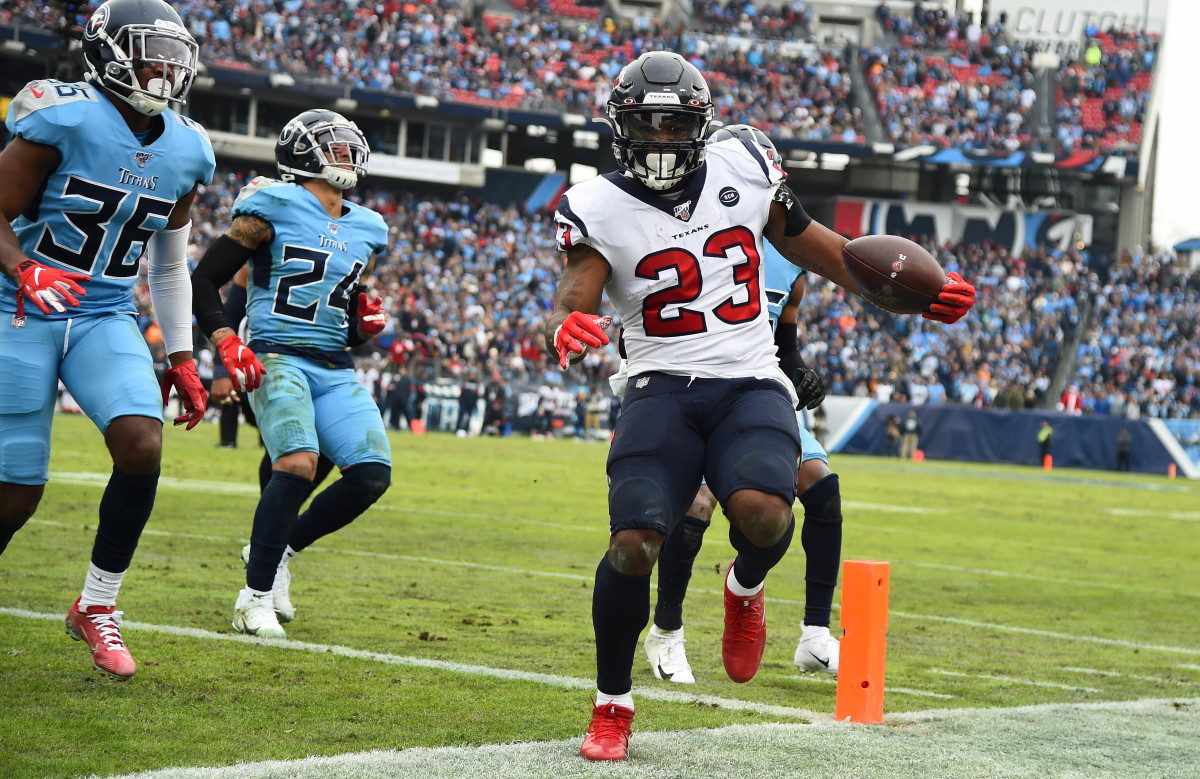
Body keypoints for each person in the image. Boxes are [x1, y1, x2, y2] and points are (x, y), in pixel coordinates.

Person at [546, 52, 975, 761]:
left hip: (750, 378)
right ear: (621, 128)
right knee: (632, 545)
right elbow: (576, 289)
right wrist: (566, 324)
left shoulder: (744, 164)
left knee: (769, 512)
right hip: (658, 385)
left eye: (673, 124)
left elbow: (825, 250)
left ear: (700, 125)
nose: (659, 138)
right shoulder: (596, 204)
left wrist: (915, 295)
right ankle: (612, 706)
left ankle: (744, 586)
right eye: (645, 125)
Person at [0, 0, 214, 680]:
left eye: (176, 57)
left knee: (141, 440)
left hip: (103, 313)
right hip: (18, 306)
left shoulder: (187, 146)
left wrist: (181, 355)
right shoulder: (59, 113)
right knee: (17, 490)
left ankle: (96, 605)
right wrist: (22, 267)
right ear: (107, 50)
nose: (165, 69)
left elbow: (170, 261)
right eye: (152, 52)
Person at [191, 109, 392, 638]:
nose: (347, 156)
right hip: (276, 354)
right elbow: (205, 280)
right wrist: (225, 341)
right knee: (298, 464)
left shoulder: (369, 227)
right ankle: (252, 598)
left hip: (333, 363)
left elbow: (342, 318)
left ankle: (278, 552)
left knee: (371, 475)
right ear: (303, 155)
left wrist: (362, 327)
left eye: (351, 146)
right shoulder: (270, 202)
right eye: (335, 147)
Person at [642, 224, 845, 687]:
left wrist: (802, 376)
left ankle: (808, 630)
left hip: (759, 396)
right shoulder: (686, 234)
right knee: (695, 506)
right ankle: (666, 630)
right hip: (693, 393)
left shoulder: (792, 261)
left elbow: (784, 349)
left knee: (822, 486)